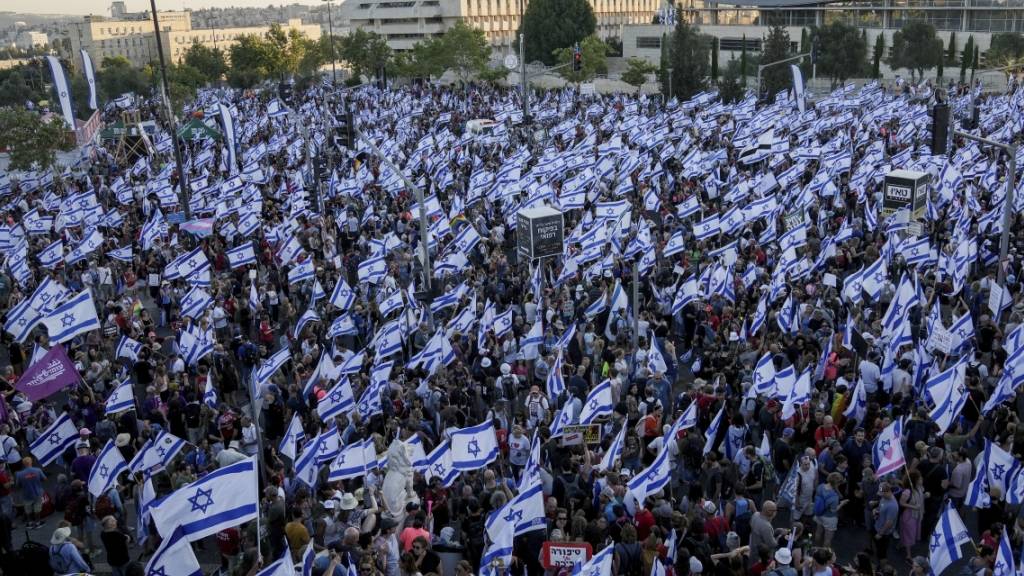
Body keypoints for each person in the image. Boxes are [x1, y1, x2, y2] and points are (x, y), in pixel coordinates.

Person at [14, 457, 45, 529]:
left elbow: (17, 486)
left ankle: (30, 523)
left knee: (28, 509)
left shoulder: (19, 474)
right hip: (37, 492)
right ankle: (38, 522)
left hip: (26, 494)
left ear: (24, 464)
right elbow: (44, 479)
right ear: (31, 462)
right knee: (37, 508)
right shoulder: (38, 470)